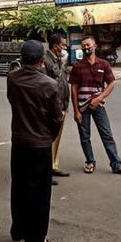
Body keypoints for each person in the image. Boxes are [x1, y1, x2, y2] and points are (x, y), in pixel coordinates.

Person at [7, 40, 63, 242]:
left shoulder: (13, 79)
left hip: (19, 141)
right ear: (42, 60)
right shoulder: (49, 84)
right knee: (39, 193)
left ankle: (17, 232)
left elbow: (13, 101)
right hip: (39, 144)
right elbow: (56, 118)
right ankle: (36, 239)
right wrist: (49, 136)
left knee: (19, 188)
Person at [69, 35, 121, 176]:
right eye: (84, 45)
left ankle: (116, 164)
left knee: (107, 135)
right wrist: (76, 111)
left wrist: (100, 98)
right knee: (85, 137)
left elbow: (111, 84)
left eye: (88, 45)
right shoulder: (78, 66)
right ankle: (90, 162)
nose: (86, 47)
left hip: (98, 105)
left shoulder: (103, 64)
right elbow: (74, 89)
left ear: (95, 46)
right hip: (82, 107)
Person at [43, 33, 71, 184]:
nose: (65, 47)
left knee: (57, 138)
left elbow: (63, 82)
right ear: (55, 46)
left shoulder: (60, 60)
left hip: (62, 104)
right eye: (63, 45)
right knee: (49, 138)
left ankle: (54, 166)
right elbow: (47, 86)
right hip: (53, 106)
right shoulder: (46, 61)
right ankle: (46, 171)